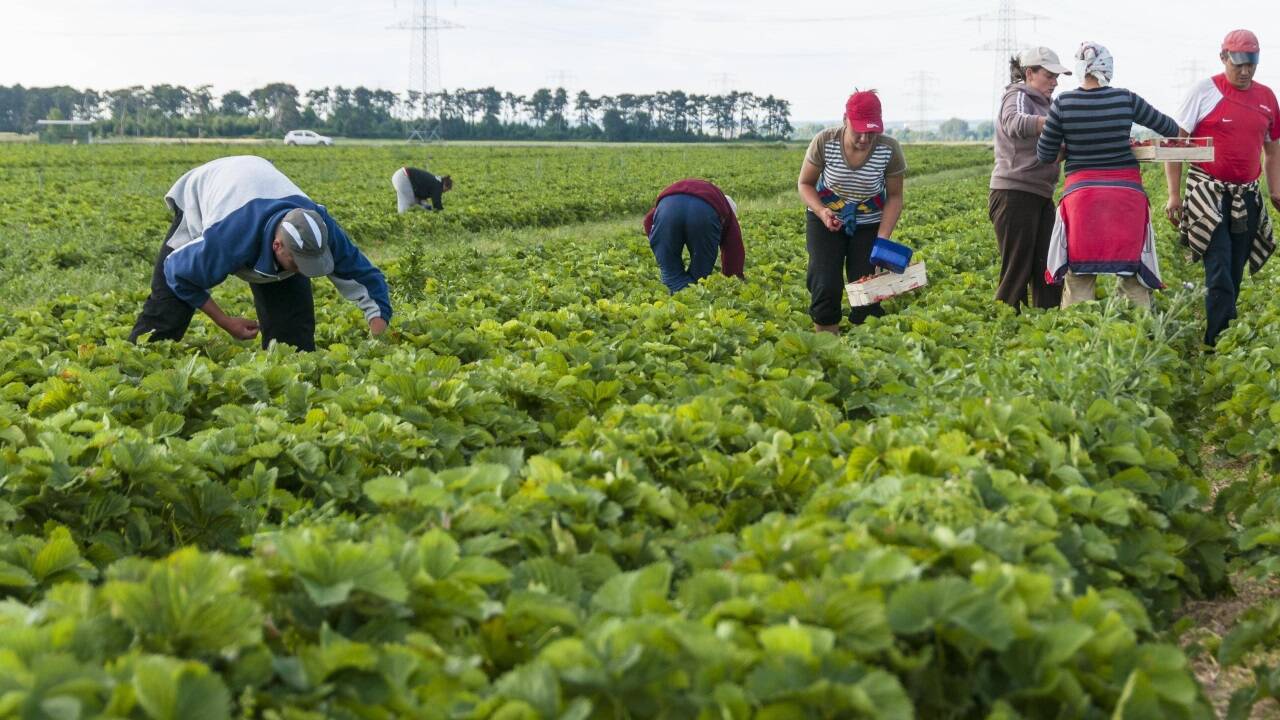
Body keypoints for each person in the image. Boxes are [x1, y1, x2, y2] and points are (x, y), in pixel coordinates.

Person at [129, 155, 392, 351]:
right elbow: (177, 273)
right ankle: (135, 368)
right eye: (299, 263)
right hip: (204, 195)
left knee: (292, 338)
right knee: (165, 317)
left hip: (256, 185)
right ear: (277, 246)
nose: (304, 270)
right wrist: (225, 321)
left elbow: (368, 278)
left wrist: (377, 340)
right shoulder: (227, 238)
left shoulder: (317, 229)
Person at [1039, 42, 1180, 308]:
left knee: (1079, 282)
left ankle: (1078, 332)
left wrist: (1075, 145)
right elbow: (1170, 128)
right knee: (1133, 281)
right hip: (1126, 200)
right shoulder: (1126, 99)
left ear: (1081, 69)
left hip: (1082, 201)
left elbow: (1045, 154)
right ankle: (1138, 329)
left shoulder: (1064, 103)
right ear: (1107, 68)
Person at [1165, 29, 1280, 346]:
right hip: (1208, 193)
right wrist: (1174, 195)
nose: (1245, 71)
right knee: (1218, 269)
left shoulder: (1267, 98)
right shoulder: (1203, 92)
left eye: (1250, 64)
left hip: (1247, 196)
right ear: (1223, 57)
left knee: (1234, 269)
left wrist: (1275, 189)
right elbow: (1175, 145)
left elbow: (1273, 150)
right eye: (1238, 64)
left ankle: (1224, 336)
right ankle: (1216, 343)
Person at [798, 90, 906, 334]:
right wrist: (822, 212)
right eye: (859, 131)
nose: (865, 138)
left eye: (872, 131)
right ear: (845, 119)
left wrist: (882, 239)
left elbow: (895, 196)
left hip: (869, 223)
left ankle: (865, 345)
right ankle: (828, 344)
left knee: (867, 288)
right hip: (826, 220)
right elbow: (805, 183)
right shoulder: (825, 141)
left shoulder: (889, 149)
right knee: (825, 283)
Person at [990, 47, 1071, 311]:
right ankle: (1005, 326)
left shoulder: (1048, 105)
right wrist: (1053, 123)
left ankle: (1047, 324)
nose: (1055, 82)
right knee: (1017, 270)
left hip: (1040, 194)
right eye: (1049, 75)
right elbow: (1015, 122)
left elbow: (1054, 150)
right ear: (1029, 73)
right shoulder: (1017, 96)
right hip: (1014, 193)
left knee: (1048, 267)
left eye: (1056, 77)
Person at [642, 179, 744, 293]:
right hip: (703, 212)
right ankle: (693, 297)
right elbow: (734, 249)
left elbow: (648, 221)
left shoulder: (707, 193)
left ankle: (676, 292)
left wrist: (661, 246)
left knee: (671, 275)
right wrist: (734, 280)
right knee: (700, 276)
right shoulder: (727, 212)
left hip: (668, 206)